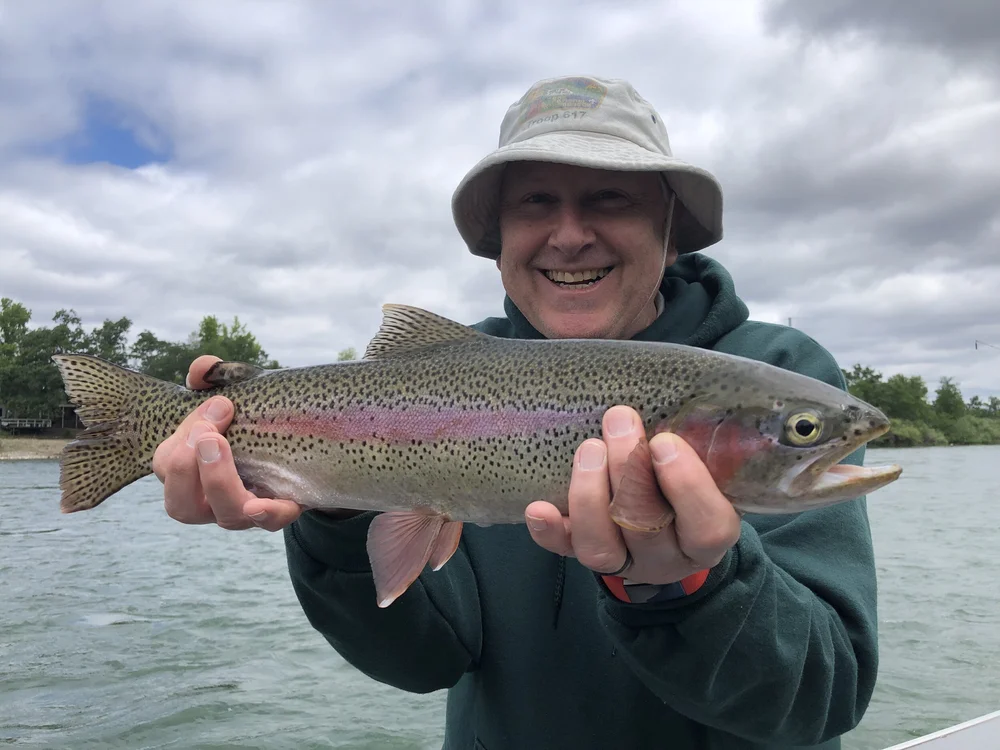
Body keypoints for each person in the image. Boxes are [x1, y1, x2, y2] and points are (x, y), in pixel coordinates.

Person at [153, 75, 878, 749]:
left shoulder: (780, 372)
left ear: (671, 225)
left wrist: (688, 585)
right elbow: (424, 659)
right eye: (535, 202)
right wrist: (338, 509)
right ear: (496, 236)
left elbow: (825, 693)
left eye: (609, 198)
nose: (569, 234)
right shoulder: (444, 374)